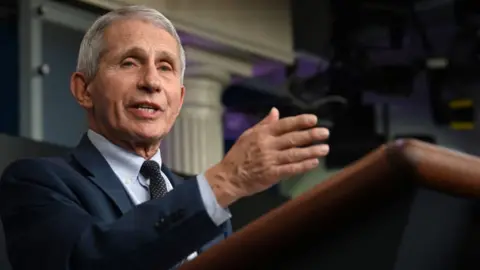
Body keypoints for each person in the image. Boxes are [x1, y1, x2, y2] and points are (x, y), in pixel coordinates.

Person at [0, 5, 330, 270]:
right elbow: (89, 259)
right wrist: (226, 180)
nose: (152, 82)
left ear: (179, 99)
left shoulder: (206, 205)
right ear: (84, 89)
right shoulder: (37, 182)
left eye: (166, 67)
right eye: (129, 63)